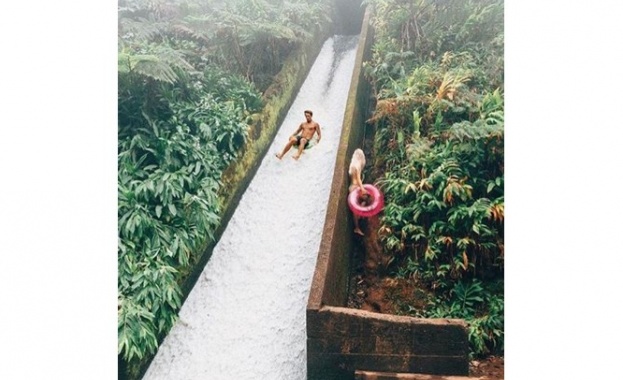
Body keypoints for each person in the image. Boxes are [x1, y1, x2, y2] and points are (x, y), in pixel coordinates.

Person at [349, 148, 368, 236]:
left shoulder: (352, 165)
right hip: (355, 188)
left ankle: (360, 215)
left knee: (365, 200)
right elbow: (359, 179)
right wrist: (363, 189)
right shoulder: (356, 166)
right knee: (356, 209)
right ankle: (357, 227)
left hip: (353, 187)